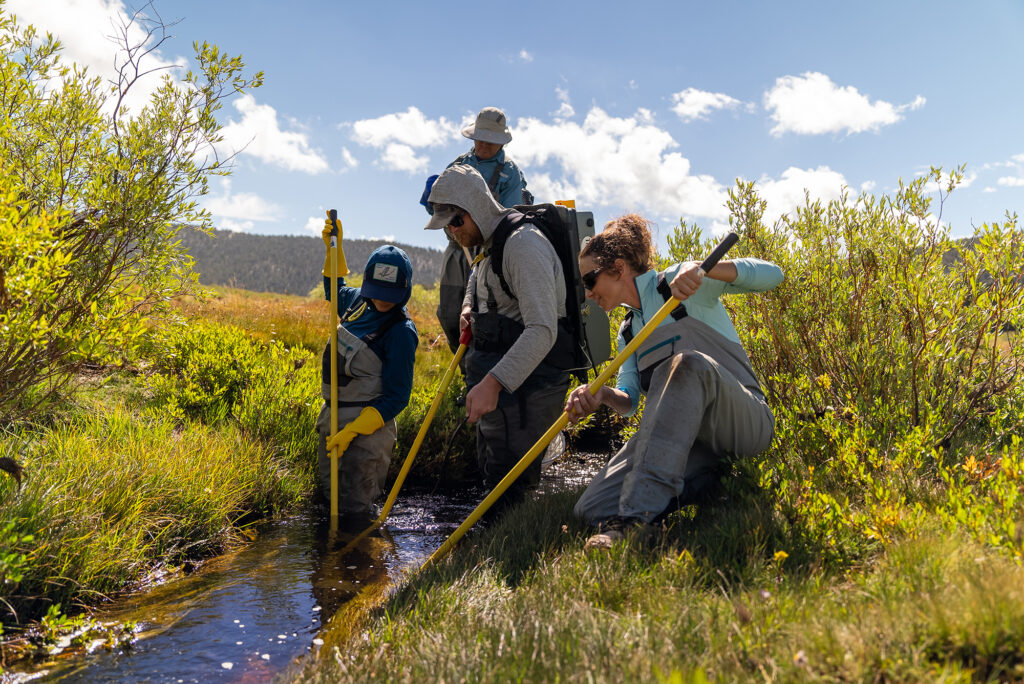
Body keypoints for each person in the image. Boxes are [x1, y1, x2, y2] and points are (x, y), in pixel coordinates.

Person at [564, 214, 784, 549]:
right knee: (589, 508)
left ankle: (634, 523)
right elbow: (631, 402)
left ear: (618, 268)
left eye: (589, 281)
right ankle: (709, 483)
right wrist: (604, 395)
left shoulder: (680, 282)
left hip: (745, 423)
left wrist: (705, 269)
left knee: (685, 364)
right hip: (692, 443)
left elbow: (773, 275)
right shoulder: (628, 332)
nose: (588, 294)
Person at [424, 164, 570, 500]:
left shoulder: (523, 246)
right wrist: (466, 308)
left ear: (475, 208)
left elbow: (542, 329)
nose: (453, 233)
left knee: (511, 492)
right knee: (492, 477)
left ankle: (514, 550)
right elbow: (476, 279)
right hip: (502, 388)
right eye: (445, 229)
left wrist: (492, 383)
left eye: (455, 222)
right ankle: (488, 547)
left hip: (528, 392)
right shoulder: (488, 243)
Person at [316, 215, 419, 520]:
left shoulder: (401, 331)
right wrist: (333, 249)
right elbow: (335, 289)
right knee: (330, 503)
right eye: (378, 292)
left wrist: (352, 432)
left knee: (356, 514)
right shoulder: (358, 302)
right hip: (330, 420)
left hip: (366, 434)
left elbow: (398, 397)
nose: (384, 302)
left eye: (391, 296)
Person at [422, 107, 530, 354]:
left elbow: (511, 216)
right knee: (450, 313)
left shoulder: (510, 173)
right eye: (480, 138)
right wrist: (432, 202)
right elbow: (439, 210)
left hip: (490, 251)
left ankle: (481, 369)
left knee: (483, 314)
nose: (483, 144)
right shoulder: (459, 165)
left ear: (500, 142)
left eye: (490, 140)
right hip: (456, 247)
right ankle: (463, 368)